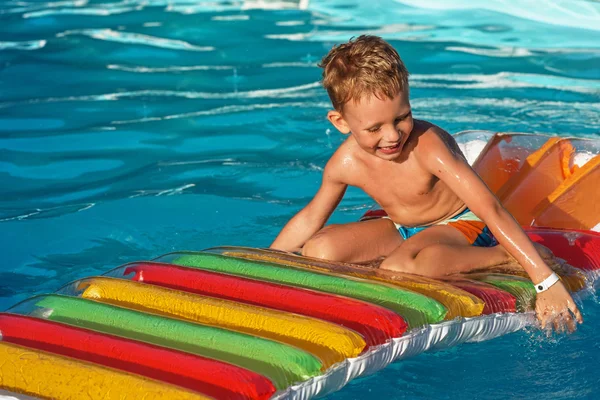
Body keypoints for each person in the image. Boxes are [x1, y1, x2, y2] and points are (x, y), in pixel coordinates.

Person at [269, 35, 582, 333]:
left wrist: (544, 280)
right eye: (375, 127)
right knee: (320, 249)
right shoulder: (345, 163)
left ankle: (502, 257)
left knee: (401, 268)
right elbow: (312, 216)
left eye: (402, 117)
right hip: (401, 226)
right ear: (341, 123)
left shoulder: (429, 146)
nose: (392, 136)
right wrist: (267, 264)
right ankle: (424, 257)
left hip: (463, 224)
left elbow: (490, 208)